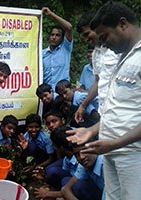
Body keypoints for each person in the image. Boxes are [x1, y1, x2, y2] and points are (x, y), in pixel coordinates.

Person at [67, 1, 141, 199]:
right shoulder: (122, 57)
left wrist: (116, 143)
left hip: (132, 153)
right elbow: (117, 108)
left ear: (122, 24)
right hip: (110, 148)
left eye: (105, 37)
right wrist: (91, 130)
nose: (103, 44)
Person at [74, 11, 120, 123]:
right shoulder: (96, 54)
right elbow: (98, 81)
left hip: (122, 110)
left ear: (97, 28)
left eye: (87, 34)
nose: (86, 40)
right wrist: (83, 105)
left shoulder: (119, 49)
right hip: (104, 109)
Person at [42, 7, 73, 90]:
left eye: (57, 35)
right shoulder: (42, 54)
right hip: (47, 95)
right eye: (52, 35)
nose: (54, 37)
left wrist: (51, 14)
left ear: (62, 38)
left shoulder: (66, 49)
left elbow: (69, 27)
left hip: (63, 95)